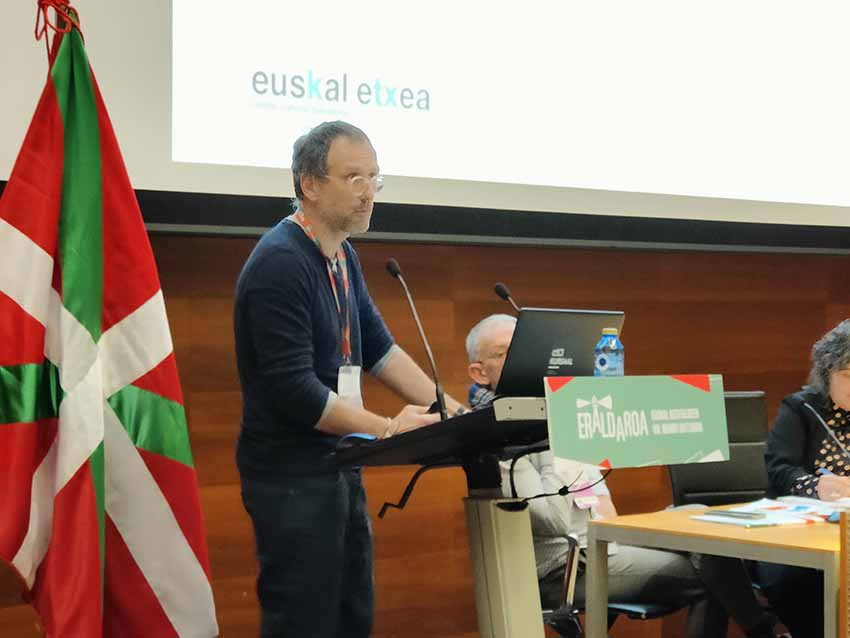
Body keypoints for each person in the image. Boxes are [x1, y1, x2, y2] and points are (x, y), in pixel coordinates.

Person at [234, 121, 462, 638]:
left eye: (374, 179)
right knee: (305, 624)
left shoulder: (341, 254)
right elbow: (295, 391)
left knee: (351, 618)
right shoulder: (280, 262)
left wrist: (453, 412)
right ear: (309, 184)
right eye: (353, 177)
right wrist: (386, 429)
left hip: (339, 465)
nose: (367, 194)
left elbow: (380, 351)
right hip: (290, 475)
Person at [466, 313, 780, 638]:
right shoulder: (492, 434)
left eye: (523, 351)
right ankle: (761, 630)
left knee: (701, 523)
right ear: (479, 372)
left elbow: (601, 505)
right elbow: (557, 521)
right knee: (713, 573)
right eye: (505, 354)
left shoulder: (557, 410)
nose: (522, 363)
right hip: (562, 566)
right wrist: (554, 441)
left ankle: (761, 629)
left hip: (600, 541)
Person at [761, 318, 850, 638]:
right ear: (827, 375)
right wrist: (816, 486)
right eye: (847, 376)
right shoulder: (801, 409)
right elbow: (780, 470)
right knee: (798, 581)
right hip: (794, 535)